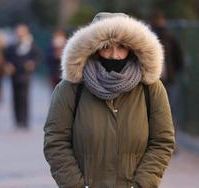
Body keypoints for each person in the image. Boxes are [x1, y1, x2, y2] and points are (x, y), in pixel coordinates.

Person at [44, 12, 175, 188]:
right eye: (106, 47)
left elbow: (162, 142)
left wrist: (141, 185)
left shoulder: (151, 88)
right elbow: (56, 141)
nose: (114, 55)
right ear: (93, 49)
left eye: (122, 46)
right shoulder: (70, 89)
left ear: (133, 48)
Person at [150, 11, 184, 127]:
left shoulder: (169, 36)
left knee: (168, 106)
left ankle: (168, 130)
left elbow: (179, 57)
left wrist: (173, 71)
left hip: (167, 78)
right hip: (154, 78)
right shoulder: (149, 36)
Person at [4, 24, 40, 128]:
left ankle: (24, 120)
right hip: (14, 74)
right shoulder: (11, 46)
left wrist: (32, 64)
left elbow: (37, 57)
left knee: (24, 97)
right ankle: (17, 120)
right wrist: (8, 65)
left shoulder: (31, 45)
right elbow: (6, 57)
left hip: (25, 75)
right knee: (15, 97)